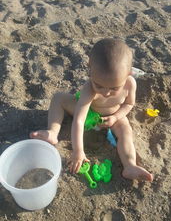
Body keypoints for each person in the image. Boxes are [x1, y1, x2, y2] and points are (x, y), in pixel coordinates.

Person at [30, 38, 153, 182]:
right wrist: (78, 151)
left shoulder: (129, 84)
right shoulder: (88, 89)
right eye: (99, 86)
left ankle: (130, 165)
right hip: (89, 113)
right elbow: (79, 120)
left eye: (114, 88)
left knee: (126, 132)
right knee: (58, 98)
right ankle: (52, 132)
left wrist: (116, 117)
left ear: (129, 74)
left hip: (112, 116)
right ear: (90, 69)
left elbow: (129, 105)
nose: (106, 93)